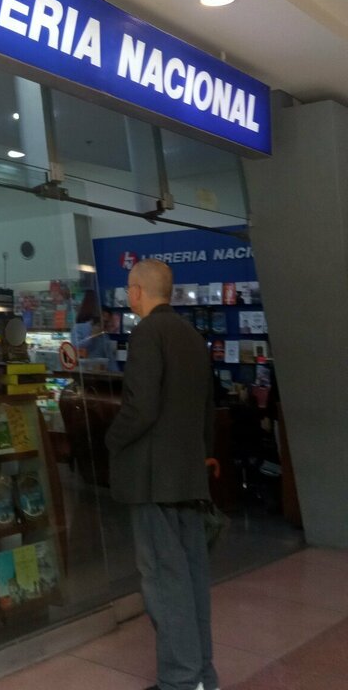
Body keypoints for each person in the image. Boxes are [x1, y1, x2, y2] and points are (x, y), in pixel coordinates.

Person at [105, 259, 218, 690]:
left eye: (129, 291)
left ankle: (180, 681)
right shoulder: (192, 335)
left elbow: (141, 407)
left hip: (153, 479)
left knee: (164, 585)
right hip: (188, 477)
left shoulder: (147, 334)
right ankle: (203, 675)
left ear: (137, 292)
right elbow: (207, 408)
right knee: (191, 582)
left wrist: (112, 440)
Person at [71, 290, 118, 371]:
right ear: (96, 317)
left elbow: (110, 359)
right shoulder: (79, 328)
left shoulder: (104, 336)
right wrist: (92, 336)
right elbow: (76, 346)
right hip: (82, 372)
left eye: (107, 322)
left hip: (100, 374)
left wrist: (117, 375)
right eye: (103, 321)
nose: (104, 325)